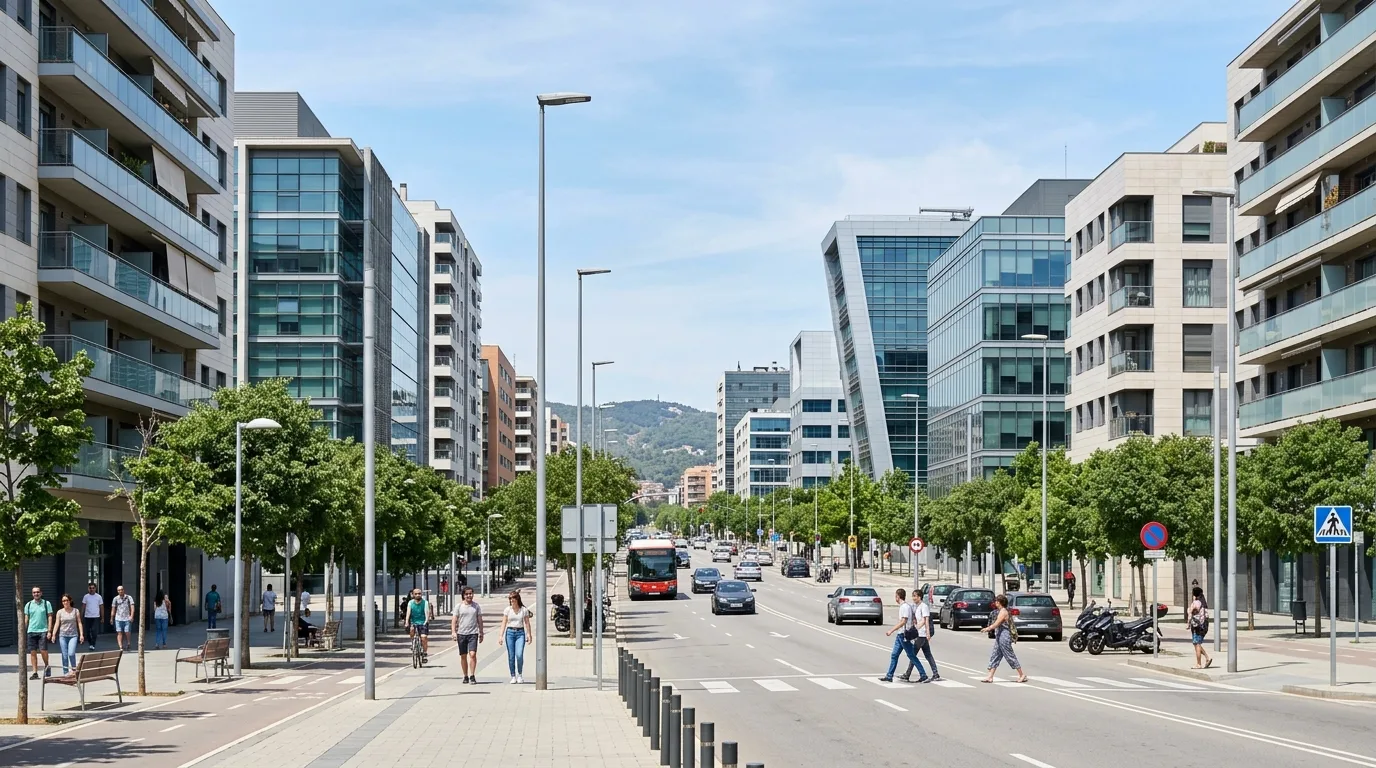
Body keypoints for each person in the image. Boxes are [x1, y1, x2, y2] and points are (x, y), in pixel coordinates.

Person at [879, 588, 923, 683]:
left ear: (898, 596)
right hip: (900, 635)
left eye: (895, 596)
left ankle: (923, 674)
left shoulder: (905, 607)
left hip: (904, 635)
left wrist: (891, 630)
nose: (895, 598)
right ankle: (889, 676)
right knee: (894, 655)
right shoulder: (904, 606)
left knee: (911, 655)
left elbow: (904, 621)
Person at [979, 594, 1026, 683]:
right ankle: (990, 676)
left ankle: (1021, 674)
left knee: (1009, 655)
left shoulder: (1003, 612)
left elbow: (997, 623)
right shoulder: (1001, 611)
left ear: (1000, 602)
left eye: (996, 601)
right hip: (999, 635)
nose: (995, 603)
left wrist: (987, 628)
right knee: (995, 655)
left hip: (1004, 636)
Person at [902, 589, 940, 683]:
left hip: (922, 634)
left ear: (920, 597)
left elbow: (925, 620)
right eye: (913, 596)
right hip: (921, 634)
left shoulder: (924, 606)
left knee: (912, 654)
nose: (913, 598)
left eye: (915, 596)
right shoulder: (918, 607)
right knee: (928, 655)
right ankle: (935, 674)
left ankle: (908, 674)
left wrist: (927, 633)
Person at [450, 586, 483, 684]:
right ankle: (465, 675)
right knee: (463, 656)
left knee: (472, 654)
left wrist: (481, 632)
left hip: (473, 633)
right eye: (467, 594)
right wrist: (453, 631)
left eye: (470, 593)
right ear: (463, 595)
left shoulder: (476, 606)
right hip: (461, 634)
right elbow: (454, 620)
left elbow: (480, 620)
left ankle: (472, 675)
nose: (469, 595)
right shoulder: (459, 606)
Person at [499, 590, 533, 684]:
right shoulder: (507, 610)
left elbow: (527, 623)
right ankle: (513, 675)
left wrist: (529, 635)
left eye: (513, 598)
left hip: (520, 633)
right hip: (510, 632)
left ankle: (520, 674)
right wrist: (500, 636)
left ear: (517, 599)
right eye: (510, 598)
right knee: (511, 656)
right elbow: (504, 623)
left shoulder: (523, 610)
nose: (512, 600)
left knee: (519, 654)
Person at [25, 586, 54, 679]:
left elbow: (50, 617)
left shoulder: (46, 603)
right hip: (31, 630)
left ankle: (47, 665)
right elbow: (26, 619)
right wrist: (24, 631)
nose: (36, 594)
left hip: (43, 630)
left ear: (41, 593)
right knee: (32, 652)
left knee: (43, 650)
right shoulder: (28, 604)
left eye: (37, 592)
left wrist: (49, 631)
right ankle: (35, 672)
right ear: (32, 594)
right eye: (34, 592)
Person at [51, 594, 83, 676]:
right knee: (64, 655)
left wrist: (81, 634)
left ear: (70, 601)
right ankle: (65, 672)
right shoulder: (60, 612)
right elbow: (57, 623)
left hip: (73, 635)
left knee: (71, 653)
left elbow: (79, 623)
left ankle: (74, 670)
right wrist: (53, 634)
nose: (65, 602)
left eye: (66, 600)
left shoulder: (75, 611)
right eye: (63, 601)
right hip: (63, 636)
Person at [1188, 585, 1213, 669]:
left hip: (1197, 626)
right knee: (1196, 643)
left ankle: (1198, 664)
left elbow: (1193, 612)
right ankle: (1207, 658)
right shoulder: (1203, 602)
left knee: (1197, 644)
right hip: (1203, 626)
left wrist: (1188, 623)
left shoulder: (1196, 603)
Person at [405, 588, 430, 663]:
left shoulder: (425, 602)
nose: (418, 595)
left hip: (423, 622)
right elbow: (408, 612)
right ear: (413, 595)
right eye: (416, 594)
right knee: (412, 630)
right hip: (414, 622)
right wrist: (407, 621)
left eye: (419, 593)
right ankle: (413, 642)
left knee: (423, 638)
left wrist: (426, 621)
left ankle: (424, 653)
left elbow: (427, 612)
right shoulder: (410, 603)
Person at [109, 585, 134, 652]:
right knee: (119, 632)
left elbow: (132, 607)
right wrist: (111, 618)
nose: (120, 591)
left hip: (127, 618)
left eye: (121, 590)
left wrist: (131, 616)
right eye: (119, 590)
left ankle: (128, 643)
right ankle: (120, 646)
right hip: (118, 618)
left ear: (123, 590)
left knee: (127, 632)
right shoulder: (115, 599)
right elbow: (113, 608)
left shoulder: (129, 597)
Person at [80, 583, 103, 651]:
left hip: (96, 616)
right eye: (90, 588)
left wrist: (102, 617)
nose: (92, 589)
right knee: (87, 632)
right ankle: (90, 643)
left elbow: (101, 607)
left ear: (95, 589)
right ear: (88, 589)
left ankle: (93, 644)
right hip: (87, 616)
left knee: (94, 631)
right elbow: (83, 606)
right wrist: (81, 616)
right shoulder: (86, 597)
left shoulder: (99, 597)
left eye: (93, 588)